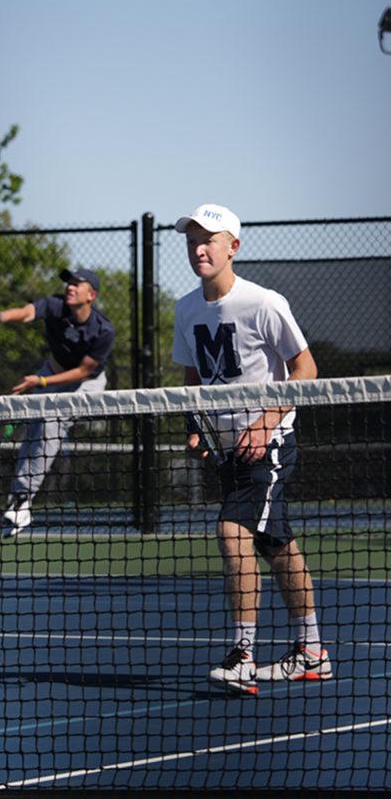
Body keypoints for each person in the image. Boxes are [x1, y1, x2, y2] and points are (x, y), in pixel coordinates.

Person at [172, 203, 331, 696]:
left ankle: (242, 654)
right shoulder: (185, 308)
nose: (200, 247)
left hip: (271, 444)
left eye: (210, 239)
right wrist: (196, 428)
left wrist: (264, 424)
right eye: (193, 238)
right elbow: (192, 378)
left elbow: (306, 370)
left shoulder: (265, 303)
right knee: (275, 543)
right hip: (227, 451)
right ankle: (312, 651)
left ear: (232, 247)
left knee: (231, 529)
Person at [0, 268, 115, 538]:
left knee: (52, 425)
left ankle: (22, 498)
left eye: (78, 284)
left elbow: (82, 371)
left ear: (92, 295)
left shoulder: (103, 331)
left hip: (86, 383)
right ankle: (20, 501)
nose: (70, 287)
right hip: (52, 371)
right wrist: (2, 316)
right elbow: (28, 312)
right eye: (69, 282)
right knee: (34, 430)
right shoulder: (55, 306)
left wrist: (41, 383)